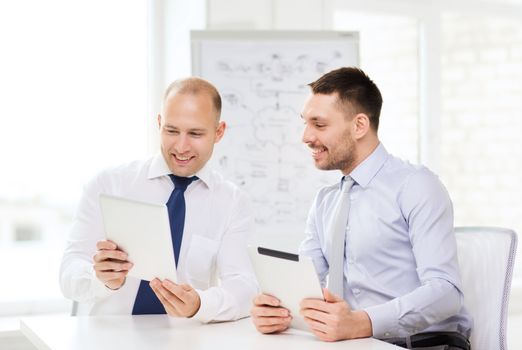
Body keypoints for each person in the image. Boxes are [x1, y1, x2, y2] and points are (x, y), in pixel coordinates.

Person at [250, 67, 472, 349]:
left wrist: (363, 322)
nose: (305, 137)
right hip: (355, 343)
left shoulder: (415, 185)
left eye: (319, 125)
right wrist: (276, 309)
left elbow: (446, 293)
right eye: (305, 123)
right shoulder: (326, 200)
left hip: (423, 344)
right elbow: (303, 281)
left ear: (359, 126)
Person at [60, 77, 258, 322]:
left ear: (219, 132)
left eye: (195, 133)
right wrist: (99, 278)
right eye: (171, 130)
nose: (181, 146)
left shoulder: (232, 202)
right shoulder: (109, 184)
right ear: (159, 123)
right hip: (108, 341)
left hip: (185, 341)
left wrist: (200, 304)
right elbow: (68, 274)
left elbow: (244, 286)